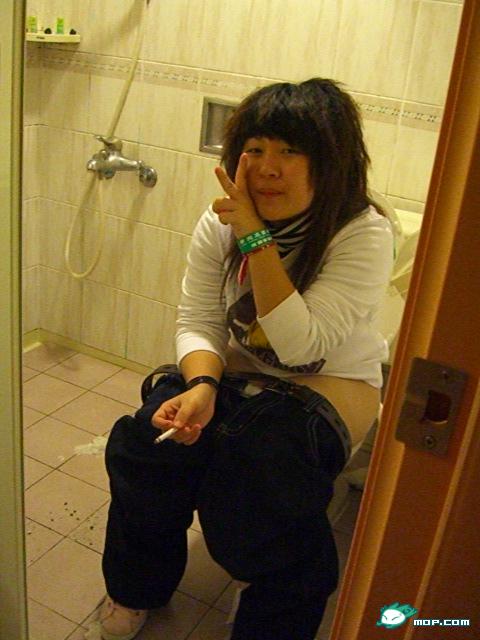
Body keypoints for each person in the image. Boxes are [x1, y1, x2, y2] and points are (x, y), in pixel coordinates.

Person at [99, 78, 394, 640]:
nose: (267, 167)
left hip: (331, 379)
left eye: (290, 150)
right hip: (238, 366)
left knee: (259, 473)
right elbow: (197, 319)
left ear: (331, 161)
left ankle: (277, 601)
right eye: (255, 148)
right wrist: (202, 387)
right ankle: (136, 586)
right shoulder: (220, 221)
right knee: (147, 446)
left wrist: (256, 237)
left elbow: (301, 346)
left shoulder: (363, 232)